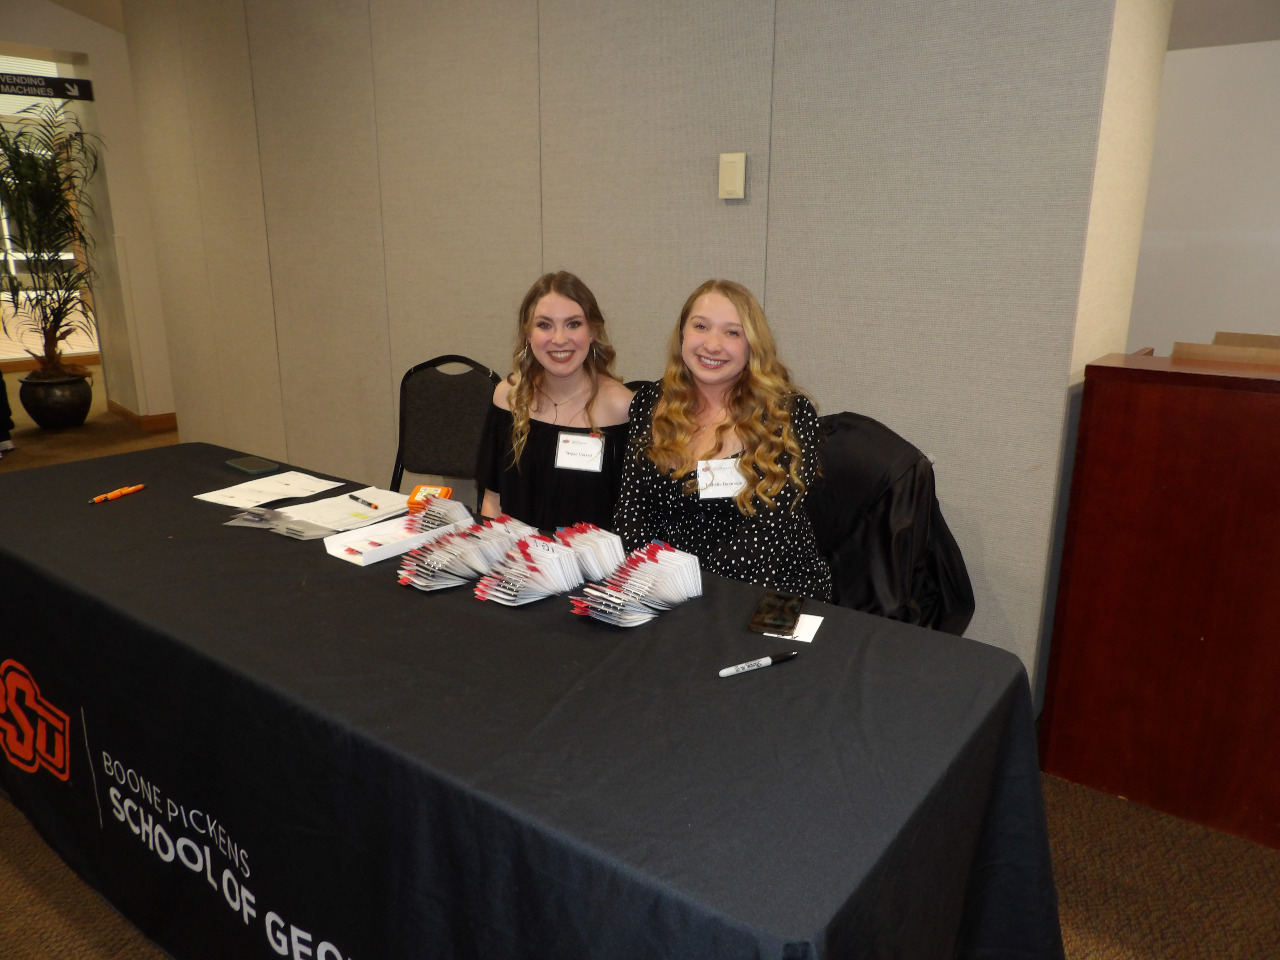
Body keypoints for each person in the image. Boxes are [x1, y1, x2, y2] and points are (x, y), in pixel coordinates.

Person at [614, 279, 831, 600]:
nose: (712, 345)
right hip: (665, 588)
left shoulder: (787, 414)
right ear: (682, 334)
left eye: (732, 332)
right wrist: (648, 577)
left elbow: (768, 533)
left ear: (752, 345)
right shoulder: (650, 401)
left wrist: (690, 590)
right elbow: (632, 509)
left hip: (769, 590)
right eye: (701, 326)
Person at [476, 272, 633, 531]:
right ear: (528, 335)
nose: (559, 339)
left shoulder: (622, 409)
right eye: (544, 325)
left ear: (593, 331)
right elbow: (492, 499)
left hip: (589, 568)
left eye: (573, 324)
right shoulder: (508, 398)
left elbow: (631, 516)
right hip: (517, 562)